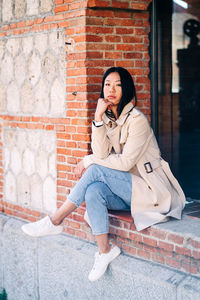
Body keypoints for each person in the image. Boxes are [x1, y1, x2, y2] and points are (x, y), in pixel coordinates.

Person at [22, 67, 185, 282]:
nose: (111, 89)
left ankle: (55, 220)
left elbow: (125, 162)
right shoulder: (109, 120)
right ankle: (105, 250)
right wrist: (98, 118)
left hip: (151, 191)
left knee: (95, 169)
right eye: (107, 84)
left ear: (126, 88)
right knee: (93, 190)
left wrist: (88, 160)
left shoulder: (137, 121)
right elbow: (100, 153)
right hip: (129, 191)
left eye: (117, 85)